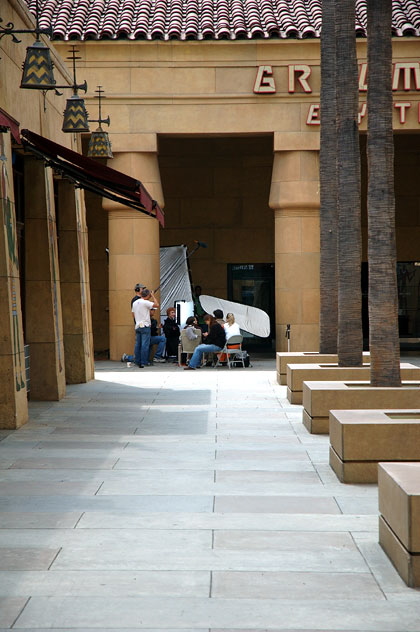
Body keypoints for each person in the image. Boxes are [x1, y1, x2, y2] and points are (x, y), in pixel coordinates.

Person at [132, 288, 159, 367]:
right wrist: (153, 295)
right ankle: (144, 361)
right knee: (145, 345)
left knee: (138, 344)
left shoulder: (135, 302)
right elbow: (156, 304)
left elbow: (133, 314)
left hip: (137, 325)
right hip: (145, 325)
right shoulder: (145, 302)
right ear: (148, 295)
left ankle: (137, 361)